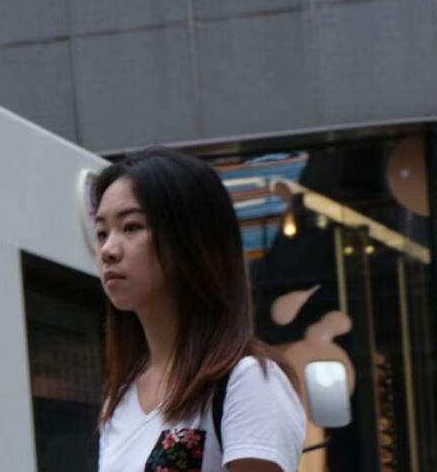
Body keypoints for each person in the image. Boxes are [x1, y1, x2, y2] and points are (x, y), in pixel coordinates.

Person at [90, 149, 308, 472]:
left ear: (190, 239)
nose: (108, 250)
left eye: (131, 227)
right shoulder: (118, 401)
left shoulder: (246, 382)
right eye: (101, 233)